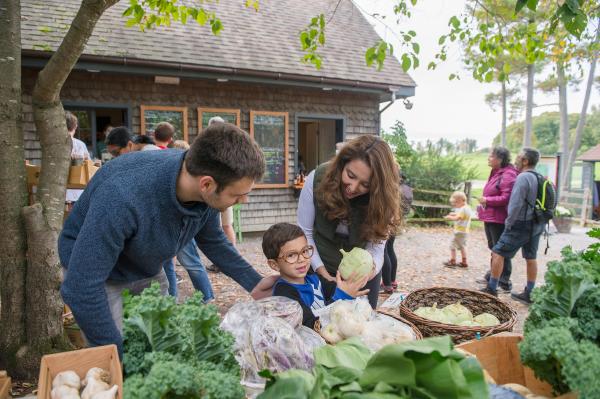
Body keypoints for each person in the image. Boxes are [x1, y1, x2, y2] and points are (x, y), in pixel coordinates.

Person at [58, 123, 272, 354]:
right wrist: (116, 357)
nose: (243, 201)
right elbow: (81, 287)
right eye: (238, 195)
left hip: (146, 268)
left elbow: (212, 239)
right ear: (207, 184)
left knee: (158, 349)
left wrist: (254, 282)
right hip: (98, 277)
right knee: (118, 357)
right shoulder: (123, 195)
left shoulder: (205, 184)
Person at [297, 135, 402, 309]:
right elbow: (305, 233)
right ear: (342, 164)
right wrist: (323, 274)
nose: (353, 188)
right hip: (318, 266)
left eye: (365, 185)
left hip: (361, 277)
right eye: (350, 175)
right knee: (318, 324)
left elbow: (377, 249)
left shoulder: (384, 200)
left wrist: (365, 275)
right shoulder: (316, 178)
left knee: (360, 327)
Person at [263, 223, 369, 329]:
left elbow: (336, 289)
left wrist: (350, 286)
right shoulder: (283, 294)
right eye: (291, 255)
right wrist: (340, 296)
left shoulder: (314, 278)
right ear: (274, 265)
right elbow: (310, 325)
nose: (302, 259)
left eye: (304, 251)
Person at [481, 148, 545, 304]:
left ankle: (492, 289)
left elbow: (515, 204)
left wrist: (509, 223)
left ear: (525, 161)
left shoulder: (523, 178)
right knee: (531, 258)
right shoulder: (540, 177)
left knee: (497, 252)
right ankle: (529, 293)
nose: (515, 160)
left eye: (518, 157)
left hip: (521, 223)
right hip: (537, 224)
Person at [476, 147, 518, 292]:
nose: (488, 158)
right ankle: (493, 275)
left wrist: (487, 200)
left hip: (499, 218)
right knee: (494, 248)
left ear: (499, 159)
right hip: (491, 216)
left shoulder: (508, 175)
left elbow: (507, 197)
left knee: (500, 251)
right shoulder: (496, 172)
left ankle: (504, 281)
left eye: (491, 156)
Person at [381, 171, 413, 293]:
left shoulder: (392, 187)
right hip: (396, 220)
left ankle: (387, 284)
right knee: (390, 249)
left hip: (387, 220)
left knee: (384, 251)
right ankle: (392, 282)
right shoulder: (407, 188)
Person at [443, 191, 472, 268]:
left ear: (461, 200)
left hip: (459, 231)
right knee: (462, 246)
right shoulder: (467, 208)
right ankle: (464, 261)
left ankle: (453, 261)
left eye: (456, 203)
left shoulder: (463, 209)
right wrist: (454, 214)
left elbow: (458, 218)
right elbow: (462, 216)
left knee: (452, 245)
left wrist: (449, 217)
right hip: (465, 231)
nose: (455, 205)